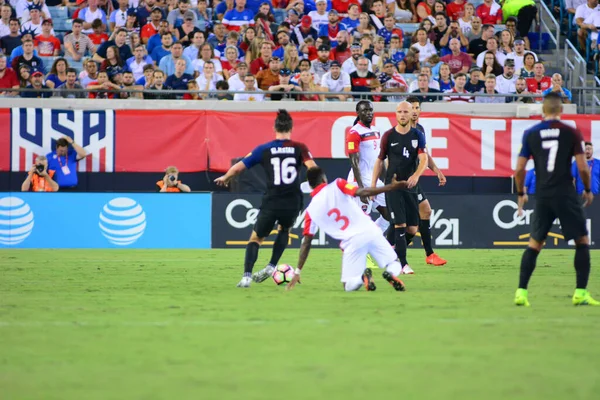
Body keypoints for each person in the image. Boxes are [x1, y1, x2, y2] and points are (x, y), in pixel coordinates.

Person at [214, 110, 318, 288]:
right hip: (293, 200)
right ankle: (271, 266)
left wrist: (225, 177)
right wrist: (320, 186)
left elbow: (239, 167)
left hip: (272, 199)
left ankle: (246, 277)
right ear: (291, 128)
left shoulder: (264, 149)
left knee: (255, 239)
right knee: (284, 229)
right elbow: (313, 168)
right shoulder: (300, 148)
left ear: (274, 128)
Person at [514, 92, 598, 307]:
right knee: (582, 241)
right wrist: (587, 189)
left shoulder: (531, 133)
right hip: (565, 193)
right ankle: (580, 292)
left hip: (542, 194)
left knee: (535, 243)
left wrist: (521, 193)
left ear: (543, 110)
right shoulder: (571, 132)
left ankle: (521, 293)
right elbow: (582, 167)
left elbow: (520, 169)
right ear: (561, 110)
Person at [286, 166, 409, 292]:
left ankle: (362, 278)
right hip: (369, 229)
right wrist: (390, 187)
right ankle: (391, 273)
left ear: (310, 186)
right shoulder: (338, 184)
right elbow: (362, 192)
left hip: (351, 242)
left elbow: (306, 242)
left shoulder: (310, 211)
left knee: (348, 286)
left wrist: (297, 271)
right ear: (324, 179)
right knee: (393, 263)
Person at [371, 102, 428, 273]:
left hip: (410, 186)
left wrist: (416, 175)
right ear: (395, 114)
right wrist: (373, 186)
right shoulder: (388, 136)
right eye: (399, 112)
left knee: (412, 228)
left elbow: (424, 158)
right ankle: (402, 264)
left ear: (412, 114)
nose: (402, 115)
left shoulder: (417, 135)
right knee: (400, 225)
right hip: (393, 186)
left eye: (406, 111)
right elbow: (380, 160)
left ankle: (385, 251)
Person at [345, 101, 397, 264]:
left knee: (389, 215)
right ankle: (359, 256)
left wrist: (387, 179)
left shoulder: (375, 131)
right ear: (358, 113)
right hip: (359, 182)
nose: (368, 113)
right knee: (362, 220)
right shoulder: (354, 132)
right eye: (364, 110)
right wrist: (361, 189)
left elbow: (378, 160)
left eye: (370, 110)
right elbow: (353, 161)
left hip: (373, 181)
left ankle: (370, 246)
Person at [405, 96, 448, 266]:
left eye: (417, 107)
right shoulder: (402, 131)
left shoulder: (420, 130)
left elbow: (425, 155)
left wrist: (437, 171)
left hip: (414, 180)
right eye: (411, 108)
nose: (414, 111)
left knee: (425, 212)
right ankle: (387, 249)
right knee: (407, 225)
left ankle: (429, 254)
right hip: (404, 180)